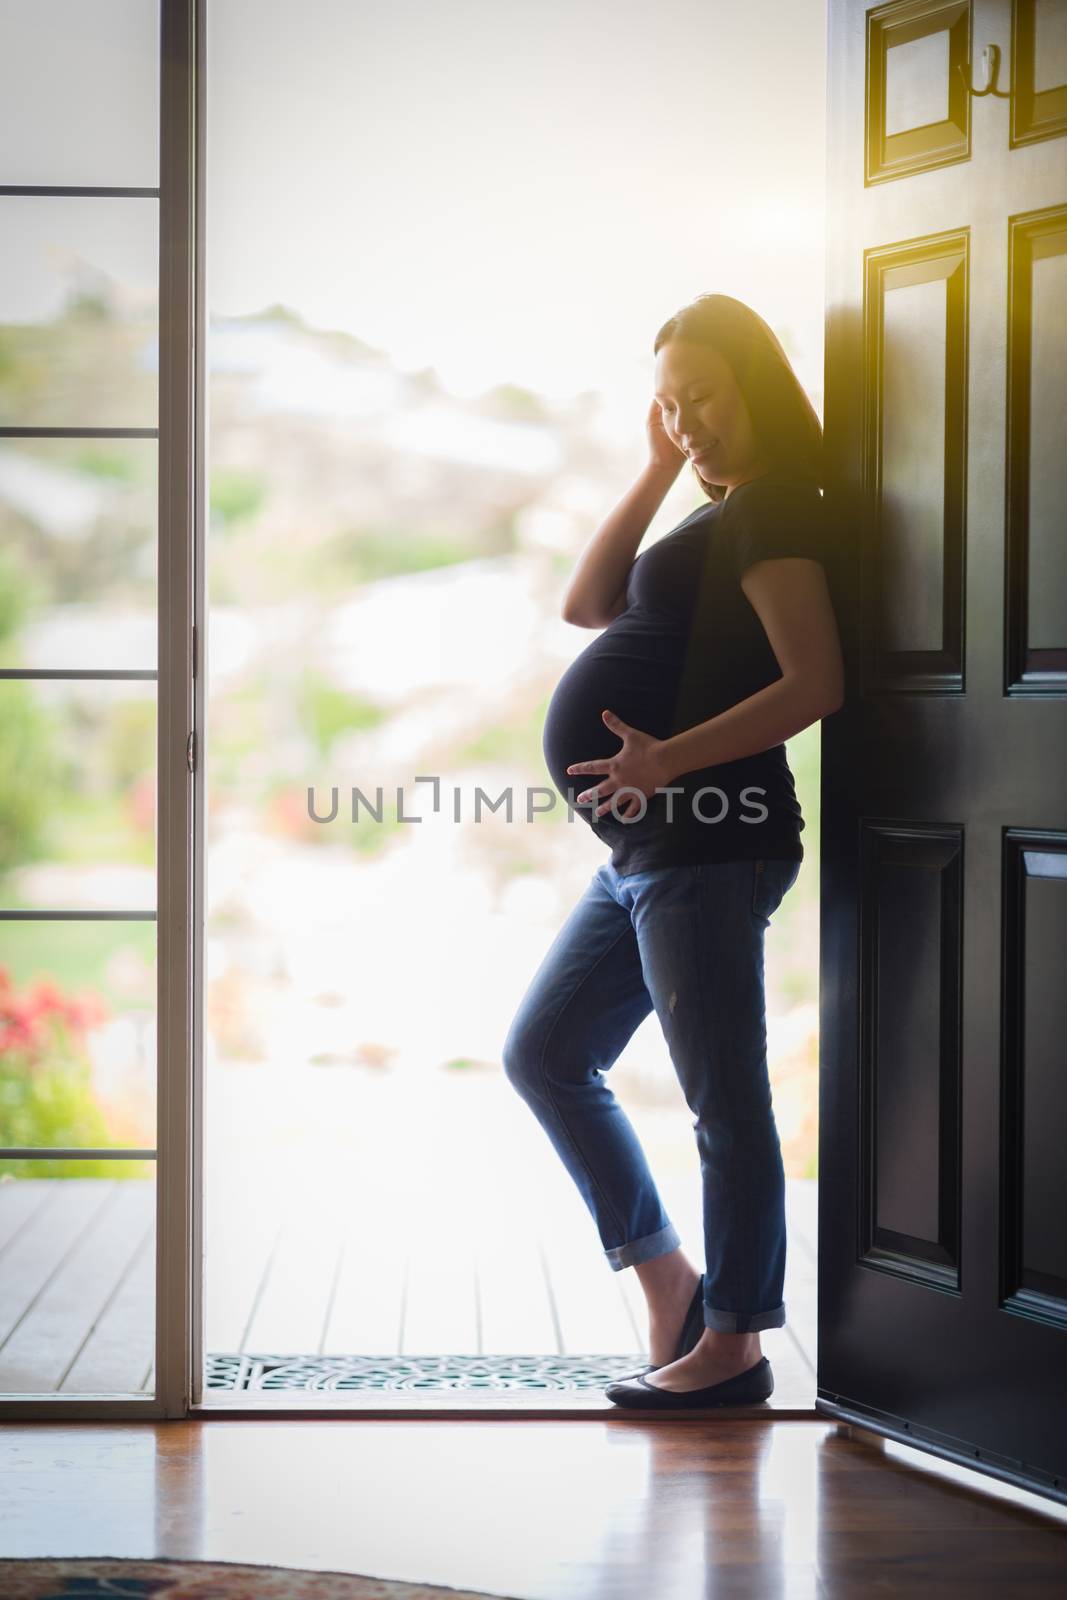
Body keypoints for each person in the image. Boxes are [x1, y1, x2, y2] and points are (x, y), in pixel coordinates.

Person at [501, 293, 844, 1410]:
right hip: (651, 847)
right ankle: (669, 1285)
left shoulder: (774, 513)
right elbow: (585, 603)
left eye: (701, 394)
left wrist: (666, 762)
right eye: (667, 401)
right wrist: (654, 467)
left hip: (706, 841)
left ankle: (734, 1343)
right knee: (546, 1051)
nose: (685, 418)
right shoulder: (717, 509)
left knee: (722, 1100)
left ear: (755, 383)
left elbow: (812, 683)